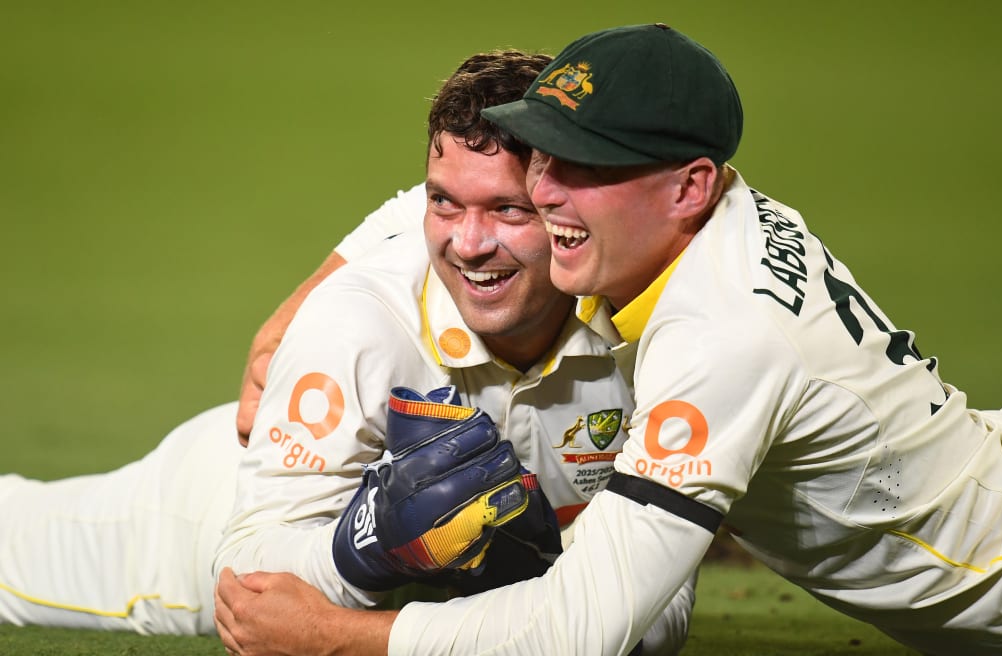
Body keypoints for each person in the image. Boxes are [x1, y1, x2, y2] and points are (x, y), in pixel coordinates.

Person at [217, 23, 1002, 656]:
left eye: (585, 165)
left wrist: (341, 634)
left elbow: (582, 629)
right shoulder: (714, 206)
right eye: (543, 159)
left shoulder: (723, 336)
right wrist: (317, 284)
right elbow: (475, 195)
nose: (545, 194)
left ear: (688, 187)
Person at [1, 49, 696, 651]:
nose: (469, 243)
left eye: (508, 210)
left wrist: (531, 570)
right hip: (198, 519)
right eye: (444, 204)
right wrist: (365, 547)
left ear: (563, 205)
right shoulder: (360, 324)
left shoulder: (640, 331)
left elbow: (658, 620)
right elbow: (246, 577)